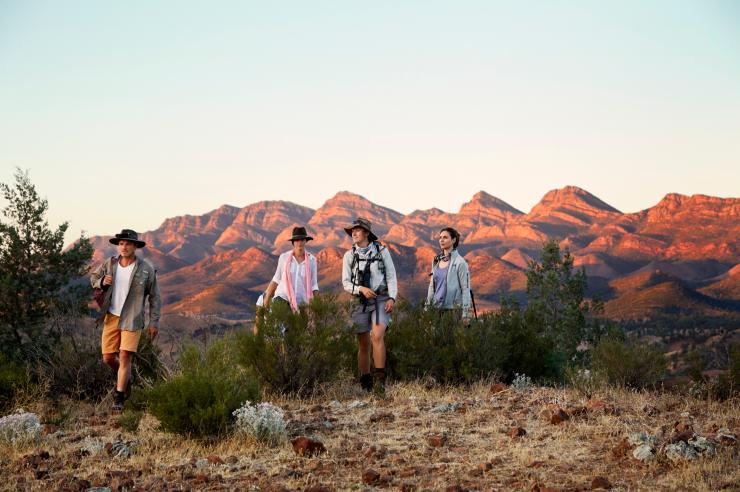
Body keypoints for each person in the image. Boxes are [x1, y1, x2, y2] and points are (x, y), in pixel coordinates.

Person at [90, 229, 161, 413]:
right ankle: (126, 377)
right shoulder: (110, 263)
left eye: (128, 244)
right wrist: (102, 282)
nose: (124, 247)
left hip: (133, 318)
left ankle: (119, 398)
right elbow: (93, 278)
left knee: (124, 356)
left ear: (135, 246)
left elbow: (155, 297)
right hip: (111, 316)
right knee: (107, 358)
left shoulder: (146, 269)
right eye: (121, 243)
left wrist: (154, 323)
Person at [341, 217, 398, 395]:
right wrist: (361, 289)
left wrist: (392, 298)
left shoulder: (382, 251)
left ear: (366, 233)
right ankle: (366, 383)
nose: (354, 233)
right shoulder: (349, 256)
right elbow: (345, 283)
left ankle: (380, 382)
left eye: (357, 230)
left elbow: (391, 276)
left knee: (377, 336)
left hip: (381, 298)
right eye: (352, 230)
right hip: (359, 300)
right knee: (363, 343)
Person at [262, 226, 318, 313]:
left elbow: (314, 285)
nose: (299, 242)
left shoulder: (312, 260)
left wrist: (317, 307)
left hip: (301, 302)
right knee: (280, 317)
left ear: (306, 241)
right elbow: (276, 279)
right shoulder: (284, 258)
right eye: (297, 240)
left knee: (300, 321)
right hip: (282, 298)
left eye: (302, 240)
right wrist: (266, 299)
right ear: (293, 242)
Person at [425, 227, 472, 325]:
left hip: (453, 310)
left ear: (453, 240)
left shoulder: (460, 262)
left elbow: (466, 289)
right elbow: (432, 287)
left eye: (445, 237)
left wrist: (466, 314)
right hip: (436, 309)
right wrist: (427, 308)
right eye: (440, 237)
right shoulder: (436, 261)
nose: (441, 240)